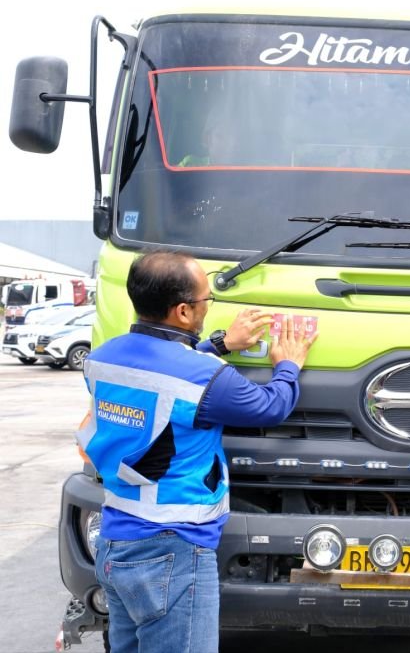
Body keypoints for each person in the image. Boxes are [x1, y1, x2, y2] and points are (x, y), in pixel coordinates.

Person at [77, 251, 318, 653]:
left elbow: (164, 376)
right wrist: (288, 365)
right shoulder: (206, 379)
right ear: (185, 311)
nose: (210, 306)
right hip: (172, 549)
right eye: (208, 300)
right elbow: (270, 406)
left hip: (116, 543)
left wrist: (220, 343)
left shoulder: (101, 360)